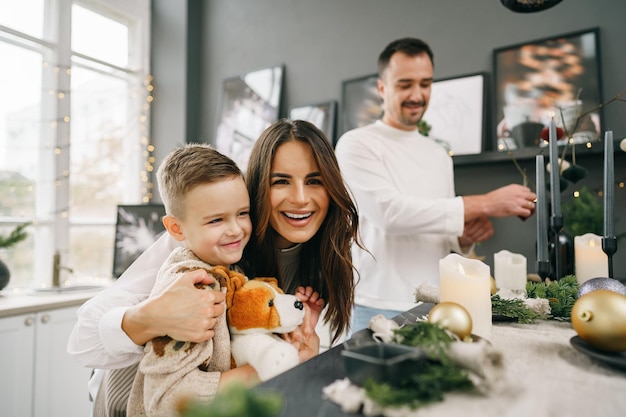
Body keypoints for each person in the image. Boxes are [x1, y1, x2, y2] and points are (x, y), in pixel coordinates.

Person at [67, 119, 361, 415]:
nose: (300, 198)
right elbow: (84, 340)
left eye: (314, 180)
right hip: (128, 400)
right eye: (281, 181)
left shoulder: (326, 248)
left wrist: (296, 356)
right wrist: (151, 316)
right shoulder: (204, 244)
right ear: (258, 186)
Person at [334, 37, 537, 332]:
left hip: (436, 302)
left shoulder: (439, 155)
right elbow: (390, 215)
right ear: (382, 88)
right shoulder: (356, 143)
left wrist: (463, 239)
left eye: (425, 83)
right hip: (375, 304)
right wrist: (486, 202)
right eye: (405, 84)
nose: (417, 94)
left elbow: (439, 226)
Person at [124, 143, 258, 416]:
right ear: (176, 228)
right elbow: (168, 401)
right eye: (216, 220)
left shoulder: (229, 267)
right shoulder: (193, 285)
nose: (235, 229)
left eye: (242, 213)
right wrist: (264, 369)